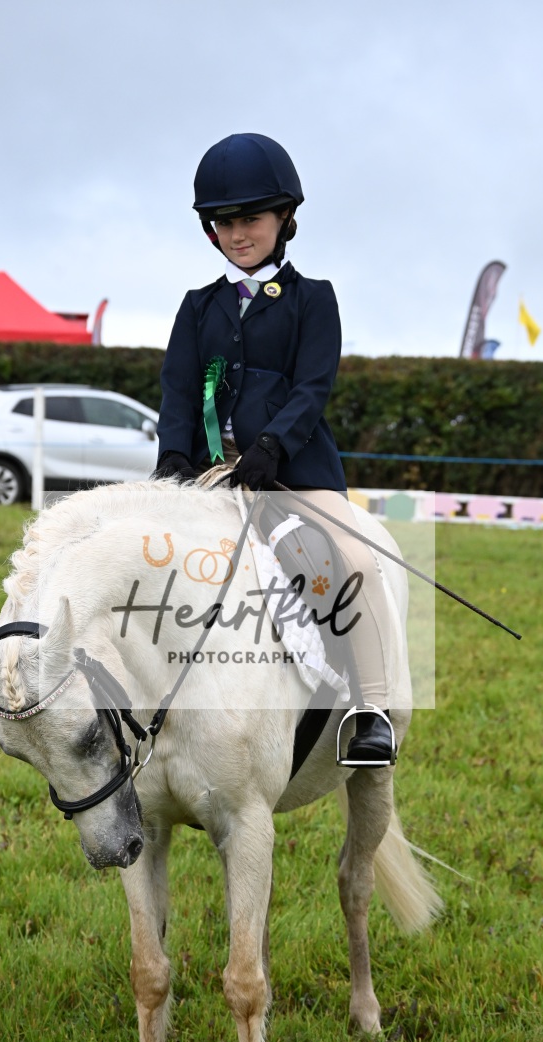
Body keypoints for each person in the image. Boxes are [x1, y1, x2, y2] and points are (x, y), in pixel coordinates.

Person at [153, 132, 396, 767]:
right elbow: (178, 391)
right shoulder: (198, 307)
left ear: (285, 217)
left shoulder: (314, 299)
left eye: (251, 219)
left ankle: (370, 710)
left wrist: (270, 445)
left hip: (295, 474)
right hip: (208, 476)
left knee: (355, 562)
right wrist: (174, 456)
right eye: (224, 222)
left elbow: (313, 387)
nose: (238, 234)